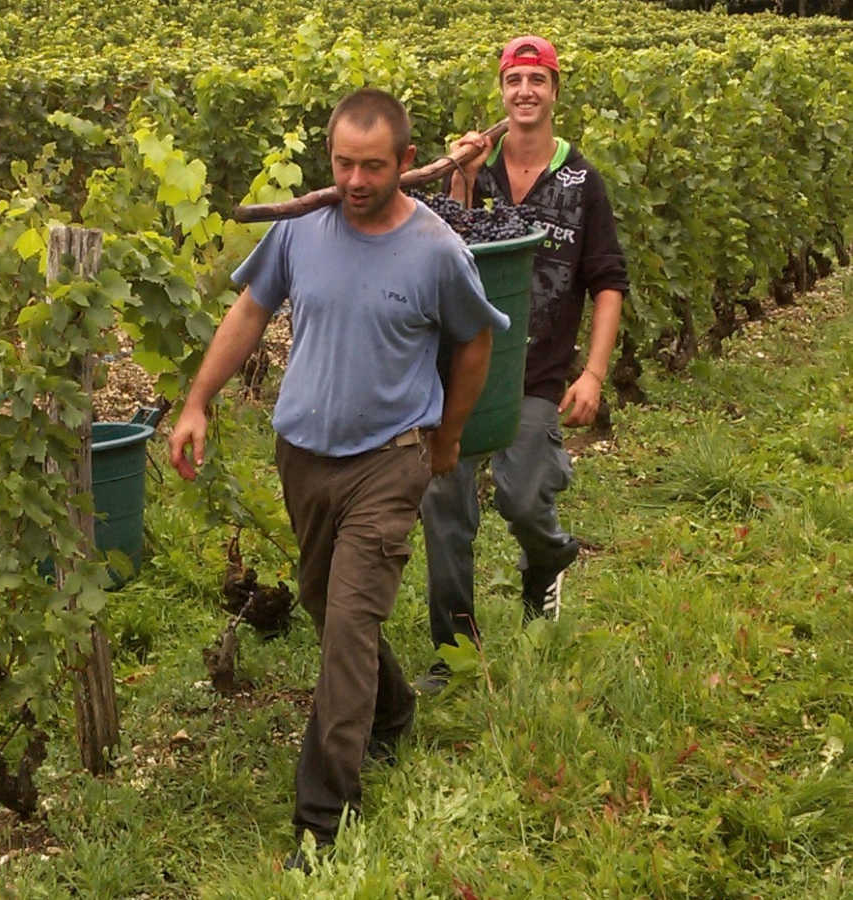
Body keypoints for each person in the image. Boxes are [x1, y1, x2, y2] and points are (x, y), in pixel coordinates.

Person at [168, 88, 510, 866]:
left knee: (349, 627)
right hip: (303, 457)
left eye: (373, 166)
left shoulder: (435, 252)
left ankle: (322, 821)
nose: (355, 181)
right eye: (343, 164)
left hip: (391, 460)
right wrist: (197, 401)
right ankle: (391, 712)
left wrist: (447, 437)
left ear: (404, 162)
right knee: (330, 612)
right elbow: (249, 313)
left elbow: (475, 344)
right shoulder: (300, 233)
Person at [417, 35, 629, 692]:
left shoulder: (580, 181)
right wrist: (456, 172)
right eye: (514, 82)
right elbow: (449, 238)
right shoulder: (475, 169)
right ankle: (456, 649)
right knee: (444, 503)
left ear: (555, 91)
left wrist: (592, 374)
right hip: (462, 368)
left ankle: (549, 559)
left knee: (521, 495)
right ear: (502, 92)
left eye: (537, 81)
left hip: (536, 375)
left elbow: (608, 281)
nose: (525, 93)